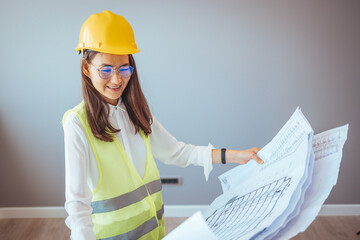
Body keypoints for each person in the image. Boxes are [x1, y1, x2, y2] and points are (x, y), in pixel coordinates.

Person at [61, 10, 264, 240]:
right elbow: (78, 207)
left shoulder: (137, 111)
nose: (117, 79)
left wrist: (233, 156)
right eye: (106, 69)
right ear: (86, 69)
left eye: (124, 68)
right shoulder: (77, 123)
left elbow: (177, 152)